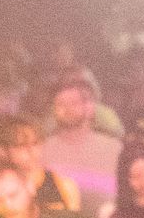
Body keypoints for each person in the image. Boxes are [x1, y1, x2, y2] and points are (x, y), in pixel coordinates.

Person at [35, 73, 121, 210]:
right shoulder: (41, 150)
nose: (67, 109)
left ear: (89, 108)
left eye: (73, 103)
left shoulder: (115, 149)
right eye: (60, 104)